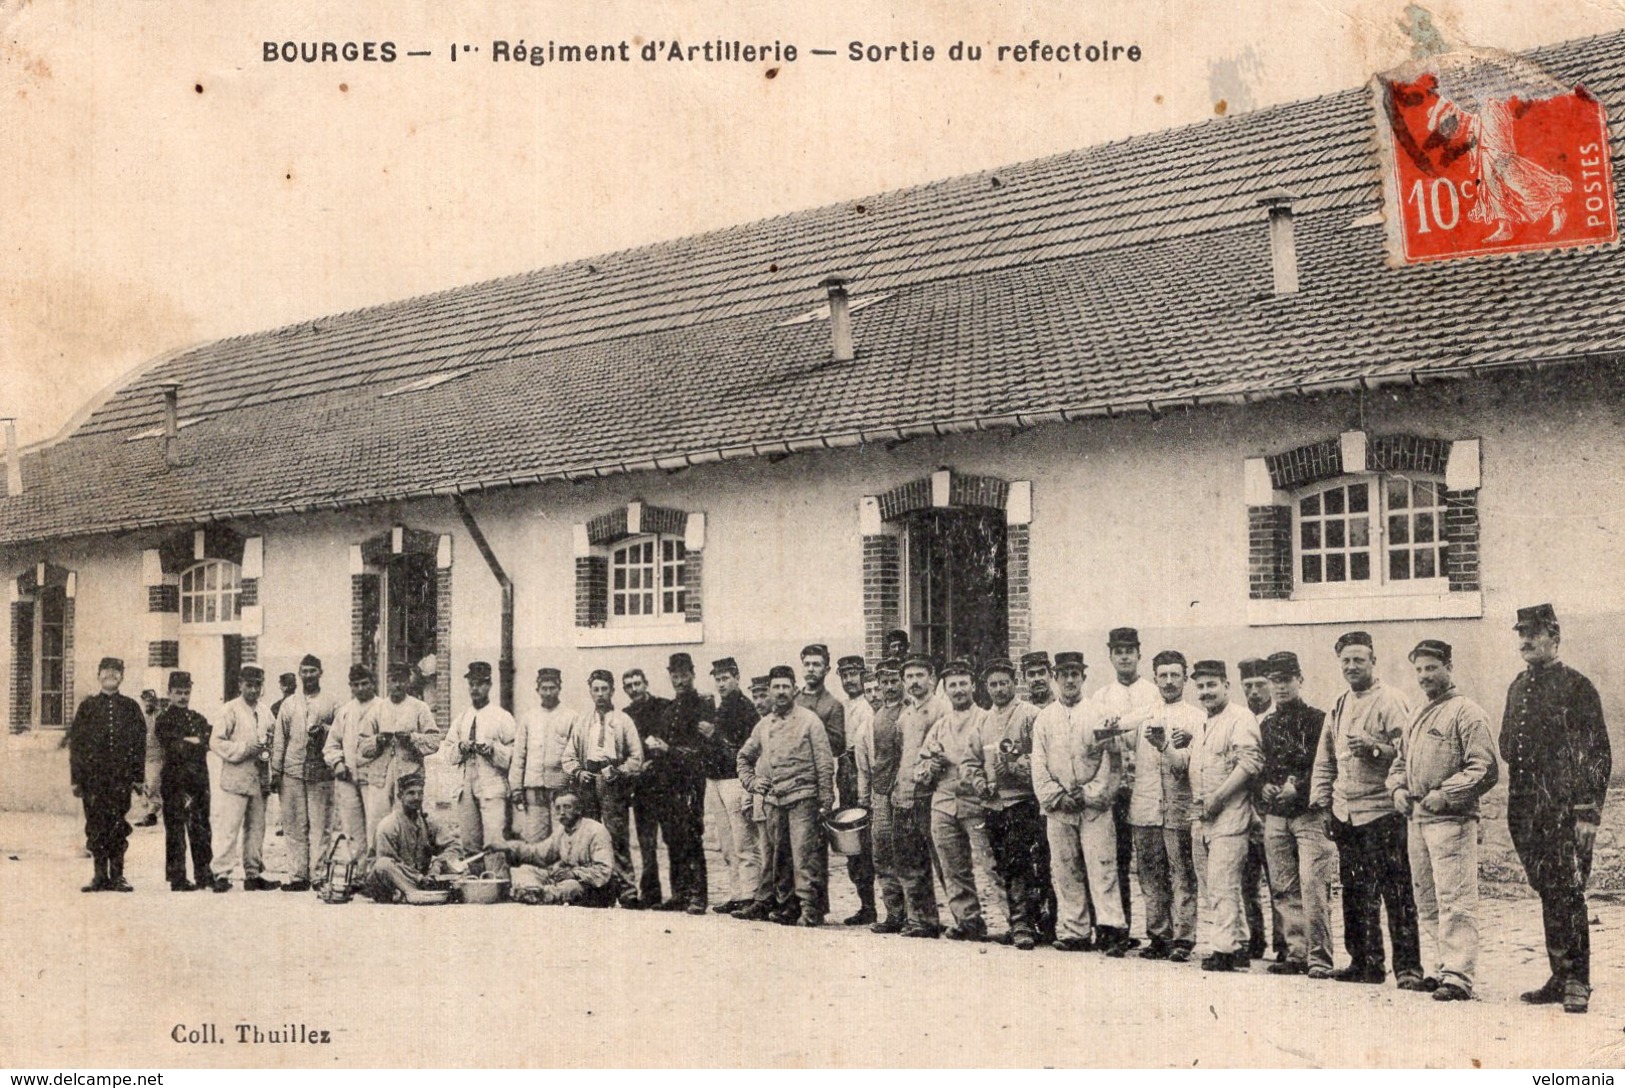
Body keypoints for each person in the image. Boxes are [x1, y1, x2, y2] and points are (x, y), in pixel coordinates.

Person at [1499, 603, 1611, 1014]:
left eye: (1535, 632)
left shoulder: (1577, 687)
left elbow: (1598, 753)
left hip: (1564, 806)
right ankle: (1559, 973)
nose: (1526, 640)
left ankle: (1578, 979)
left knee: (1568, 888)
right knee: (1548, 888)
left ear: (1555, 637)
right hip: (1526, 805)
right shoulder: (1517, 686)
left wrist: (1586, 811)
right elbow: (1507, 744)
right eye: (1521, 633)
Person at [1388, 638, 1499, 1003]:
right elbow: (1400, 763)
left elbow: (1484, 767)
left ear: (1449, 667)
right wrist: (1398, 790)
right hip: (1417, 819)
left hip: (1451, 821)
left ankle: (1459, 975)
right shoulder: (1417, 713)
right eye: (1418, 669)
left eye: (1431, 668)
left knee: (1456, 897)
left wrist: (1447, 794)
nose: (1424, 676)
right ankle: (1439, 968)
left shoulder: (1466, 712)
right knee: (1427, 898)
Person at [1309, 631, 1422, 986]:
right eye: (1346, 661)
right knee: (1357, 893)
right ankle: (1365, 964)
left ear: (1373, 661)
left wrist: (1375, 747)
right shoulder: (1339, 705)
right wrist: (1324, 804)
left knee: (1397, 892)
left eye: (1359, 659)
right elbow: (1325, 761)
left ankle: (1408, 968)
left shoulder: (1391, 700)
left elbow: (1410, 754)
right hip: (1347, 814)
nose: (1352, 666)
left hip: (1383, 812)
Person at [1033, 651, 1129, 955]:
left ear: (1084, 678)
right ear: (1055, 678)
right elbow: (1038, 762)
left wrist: (1089, 794)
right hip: (1060, 807)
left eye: (1075, 674)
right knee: (1064, 868)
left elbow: (1112, 761)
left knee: (1102, 866)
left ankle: (1111, 929)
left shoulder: (1101, 714)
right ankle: (1075, 930)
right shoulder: (1045, 718)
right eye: (1064, 675)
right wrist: (1056, 796)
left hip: (1093, 808)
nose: (1070, 680)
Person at [735, 664, 836, 926]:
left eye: (785, 687)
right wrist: (753, 782)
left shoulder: (809, 720)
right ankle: (788, 907)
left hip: (804, 799)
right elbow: (744, 757)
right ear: (769, 691)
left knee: (805, 857)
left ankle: (811, 909)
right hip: (774, 802)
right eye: (776, 687)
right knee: (780, 858)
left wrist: (826, 801)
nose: (780, 692)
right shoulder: (763, 725)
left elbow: (824, 763)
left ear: (795, 689)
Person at [1256, 651, 1335, 978]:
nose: (1280, 687)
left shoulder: (1319, 720)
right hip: (1276, 817)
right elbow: (1259, 766)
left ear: (1299, 680)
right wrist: (1264, 788)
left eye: (1286, 680)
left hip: (1309, 814)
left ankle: (1320, 958)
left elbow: (1328, 766)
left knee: (1313, 884)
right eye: (1274, 681)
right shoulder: (1267, 724)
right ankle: (1297, 953)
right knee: (1284, 886)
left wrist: (1299, 788)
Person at [916, 659, 1001, 942]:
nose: (958, 689)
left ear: (973, 686)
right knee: (953, 867)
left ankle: (1018, 922)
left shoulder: (987, 719)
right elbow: (922, 768)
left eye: (963, 683)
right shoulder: (940, 727)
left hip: (978, 804)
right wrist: (931, 767)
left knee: (993, 864)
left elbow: (995, 760)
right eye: (952, 685)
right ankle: (968, 921)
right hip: (943, 804)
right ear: (945, 689)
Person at [1130, 650, 1206, 962]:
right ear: (1155, 678)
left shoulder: (1198, 718)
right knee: (1150, 875)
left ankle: (1184, 938)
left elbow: (1196, 764)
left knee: (1182, 875)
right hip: (1146, 806)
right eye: (1163, 675)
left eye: (1175, 675)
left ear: (1186, 678)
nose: (1169, 681)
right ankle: (1158, 935)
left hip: (1178, 808)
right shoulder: (1143, 716)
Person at [1189, 659, 1262, 972]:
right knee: (1217, 884)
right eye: (1201, 686)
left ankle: (1224, 950)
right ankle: (1240, 943)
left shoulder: (1240, 718)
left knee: (1222, 884)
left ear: (1226, 686)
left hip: (1230, 815)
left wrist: (1218, 798)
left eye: (1212, 685)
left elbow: (1250, 763)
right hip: (1206, 817)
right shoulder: (1204, 722)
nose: (1206, 692)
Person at [1091, 627, 1159, 945]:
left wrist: (1124, 724)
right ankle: (1119, 929)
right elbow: (1100, 738)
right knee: (1115, 858)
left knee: (1150, 860)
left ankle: (1161, 931)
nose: (1124, 656)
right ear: (1110, 656)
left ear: (1139, 654)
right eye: (1118, 651)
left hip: (1148, 786)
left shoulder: (1154, 692)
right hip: (1115, 788)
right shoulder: (1102, 697)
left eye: (1129, 650)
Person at [562, 668, 645, 905]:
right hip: (587, 785)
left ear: (612, 690)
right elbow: (568, 757)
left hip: (612, 785)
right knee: (590, 838)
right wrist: (579, 772)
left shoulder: (622, 721)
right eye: (595, 689)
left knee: (617, 838)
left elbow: (636, 758)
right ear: (590, 691)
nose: (600, 694)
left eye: (604, 689)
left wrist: (618, 771)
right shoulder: (582, 723)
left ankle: (627, 892)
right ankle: (597, 892)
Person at [979, 658, 1044, 950]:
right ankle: (1014, 921)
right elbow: (974, 760)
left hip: (1023, 801)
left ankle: (1025, 924)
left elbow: (1043, 759)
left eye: (1004, 682)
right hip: (994, 804)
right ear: (987, 688)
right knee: (1003, 864)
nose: (999, 689)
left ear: (1014, 683)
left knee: (1022, 862)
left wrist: (1016, 766)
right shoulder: (984, 720)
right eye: (993, 684)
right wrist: (980, 780)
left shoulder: (1030, 715)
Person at [68, 657, 146, 892]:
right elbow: (77, 746)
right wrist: (76, 779)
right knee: (96, 824)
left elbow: (139, 743)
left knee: (118, 824)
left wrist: (137, 776)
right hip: (93, 780)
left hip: (120, 779)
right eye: (106, 670)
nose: (111, 675)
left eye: (116, 671)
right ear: (98, 674)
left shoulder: (130, 707)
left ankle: (118, 875)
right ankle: (99, 875)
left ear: (122, 676)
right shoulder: (87, 707)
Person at [643, 653, 712, 913]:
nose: (679, 680)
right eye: (675, 675)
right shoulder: (670, 709)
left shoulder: (703, 705)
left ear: (693, 674)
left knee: (692, 836)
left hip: (691, 783)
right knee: (672, 837)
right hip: (668, 784)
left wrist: (667, 749)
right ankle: (679, 893)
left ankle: (698, 896)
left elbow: (699, 751)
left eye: (684, 675)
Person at [884, 653, 947, 937]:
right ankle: (921, 919)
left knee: (942, 861)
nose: (914, 682)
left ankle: (964, 921)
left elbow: (945, 754)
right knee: (909, 861)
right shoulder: (904, 715)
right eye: (909, 677)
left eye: (919, 676)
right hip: (905, 797)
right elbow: (901, 756)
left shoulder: (941, 710)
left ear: (932, 679)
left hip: (932, 797)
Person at [438, 661, 514, 880]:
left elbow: (514, 755)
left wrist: (493, 749)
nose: (475, 689)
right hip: (465, 785)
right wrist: (461, 747)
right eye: (471, 684)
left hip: (491, 784)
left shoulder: (502, 717)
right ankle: (477, 886)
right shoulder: (462, 718)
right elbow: (448, 753)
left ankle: (498, 884)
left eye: (480, 684)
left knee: (493, 838)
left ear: (489, 685)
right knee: (470, 839)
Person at [269, 653, 339, 892]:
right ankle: (298, 875)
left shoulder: (331, 702)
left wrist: (325, 729)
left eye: (313, 671)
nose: (308, 675)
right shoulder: (289, 705)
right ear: (299, 675)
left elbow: (342, 732)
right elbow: (279, 739)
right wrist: (276, 771)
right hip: (292, 771)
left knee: (320, 825)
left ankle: (319, 875)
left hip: (321, 771)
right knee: (294, 825)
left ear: (320, 673)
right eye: (304, 671)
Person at [209, 665, 280, 892]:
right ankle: (221, 873)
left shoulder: (266, 712)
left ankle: (253, 873)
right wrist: (244, 749)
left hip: (259, 778)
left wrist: (267, 753)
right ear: (240, 685)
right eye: (249, 685)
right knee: (229, 828)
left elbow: (273, 741)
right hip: (236, 778)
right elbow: (216, 742)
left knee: (257, 828)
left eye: (257, 685)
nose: (253, 690)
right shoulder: (229, 710)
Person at [701, 657, 762, 915]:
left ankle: (751, 894)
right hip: (715, 780)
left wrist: (713, 735)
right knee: (727, 842)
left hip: (735, 780)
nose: (721, 683)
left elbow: (744, 749)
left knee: (743, 840)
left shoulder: (746, 709)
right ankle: (737, 893)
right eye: (717, 678)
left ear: (736, 677)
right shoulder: (721, 706)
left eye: (725, 678)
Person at [1236, 655, 1287, 963]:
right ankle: (1255, 940)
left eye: (1260, 685)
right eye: (1248, 686)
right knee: (1246, 882)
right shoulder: (1239, 719)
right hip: (1243, 811)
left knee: (1280, 881)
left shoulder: (1279, 717)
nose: (1254, 692)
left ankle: (1284, 945)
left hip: (1274, 811)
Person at [855, 658, 908, 933]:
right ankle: (894, 913)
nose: (887, 688)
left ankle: (915, 915)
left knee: (907, 854)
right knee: (882, 853)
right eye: (882, 683)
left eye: (892, 682)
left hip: (906, 793)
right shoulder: (874, 720)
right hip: (881, 794)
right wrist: (867, 799)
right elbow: (866, 765)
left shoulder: (909, 713)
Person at [795, 644, 848, 919]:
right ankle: (796, 903)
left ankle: (815, 906)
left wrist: (811, 733)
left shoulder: (832, 705)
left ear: (827, 670)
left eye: (817, 664)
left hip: (815, 781)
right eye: (807, 664)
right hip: (789, 780)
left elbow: (838, 744)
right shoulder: (792, 699)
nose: (811, 669)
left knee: (813, 848)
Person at [497, 789, 620, 906]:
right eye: (558, 808)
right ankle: (535, 892)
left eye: (567, 807)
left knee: (571, 887)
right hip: (565, 879)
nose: (562, 812)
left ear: (578, 809)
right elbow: (540, 853)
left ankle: (537, 893)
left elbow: (603, 871)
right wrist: (509, 847)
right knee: (524, 870)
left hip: (595, 887)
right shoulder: (561, 831)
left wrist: (574, 873)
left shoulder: (595, 830)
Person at [361, 770, 467, 902]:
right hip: (390, 881)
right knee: (383, 865)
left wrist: (438, 863)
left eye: (420, 793)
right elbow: (387, 864)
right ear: (400, 796)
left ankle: (413, 894)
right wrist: (418, 877)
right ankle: (415, 894)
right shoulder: (389, 825)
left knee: (459, 866)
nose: (417, 797)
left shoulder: (427, 822)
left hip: (421, 879)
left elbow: (454, 845)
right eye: (411, 793)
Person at [153, 670, 212, 891]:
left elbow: (208, 740)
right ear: (169, 693)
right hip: (175, 782)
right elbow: (173, 745)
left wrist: (191, 741)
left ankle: (204, 873)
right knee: (176, 830)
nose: (183, 697)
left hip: (198, 781)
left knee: (201, 827)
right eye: (178, 692)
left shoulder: (197, 717)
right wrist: (193, 742)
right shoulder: (164, 720)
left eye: (186, 692)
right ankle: (177, 878)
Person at [325, 664, 387, 862]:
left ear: (373, 683)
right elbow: (331, 744)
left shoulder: (383, 708)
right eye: (356, 685)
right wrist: (337, 763)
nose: (361, 688)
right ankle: (358, 873)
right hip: (348, 778)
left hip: (376, 780)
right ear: (350, 686)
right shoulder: (344, 712)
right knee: (353, 828)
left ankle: (377, 874)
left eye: (365, 684)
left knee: (377, 825)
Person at [510, 666, 577, 844]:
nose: (548, 693)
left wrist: (574, 788)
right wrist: (516, 788)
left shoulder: (571, 717)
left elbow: (577, 755)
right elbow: (519, 756)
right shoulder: (528, 718)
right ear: (537, 689)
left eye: (552, 688)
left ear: (559, 688)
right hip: (534, 787)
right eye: (544, 688)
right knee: (535, 837)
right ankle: (537, 872)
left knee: (562, 835)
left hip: (561, 788)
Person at [835, 653, 879, 926]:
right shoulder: (841, 707)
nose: (850, 680)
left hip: (869, 772)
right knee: (854, 846)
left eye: (854, 674)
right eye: (845, 675)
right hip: (847, 775)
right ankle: (867, 905)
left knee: (877, 845)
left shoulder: (871, 703)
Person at [620, 667, 670, 908]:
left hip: (667, 783)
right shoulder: (625, 715)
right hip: (641, 787)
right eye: (628, 686)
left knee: (673, 841)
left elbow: (671, 739)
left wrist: (656, 760)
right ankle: (651, 893)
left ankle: (681, 893)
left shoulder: (664, 707)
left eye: (637, 683)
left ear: (646, 683)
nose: (634, 689)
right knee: (646, 843)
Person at [372, 662, 442, 801]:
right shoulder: (377, 708)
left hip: (410, 773)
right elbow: (361, 743)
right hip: (381, 776)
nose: (398, 685)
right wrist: (377, 740)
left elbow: (435, 740)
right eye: (394, 680)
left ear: (408, 681)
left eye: (402, 680)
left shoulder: (419, 707)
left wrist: (412, 738)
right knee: (380, 819)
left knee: (407, 817)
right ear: (388, 681)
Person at [134, 689, 163, 827]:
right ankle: (148, 813)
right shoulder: (141, 718)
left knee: (152, 784)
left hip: (156, 757)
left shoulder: (160, 717)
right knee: (141, 785)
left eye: (150, 701)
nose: (148, 703)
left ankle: (152, 813)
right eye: (145, 700)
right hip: (142, 756)